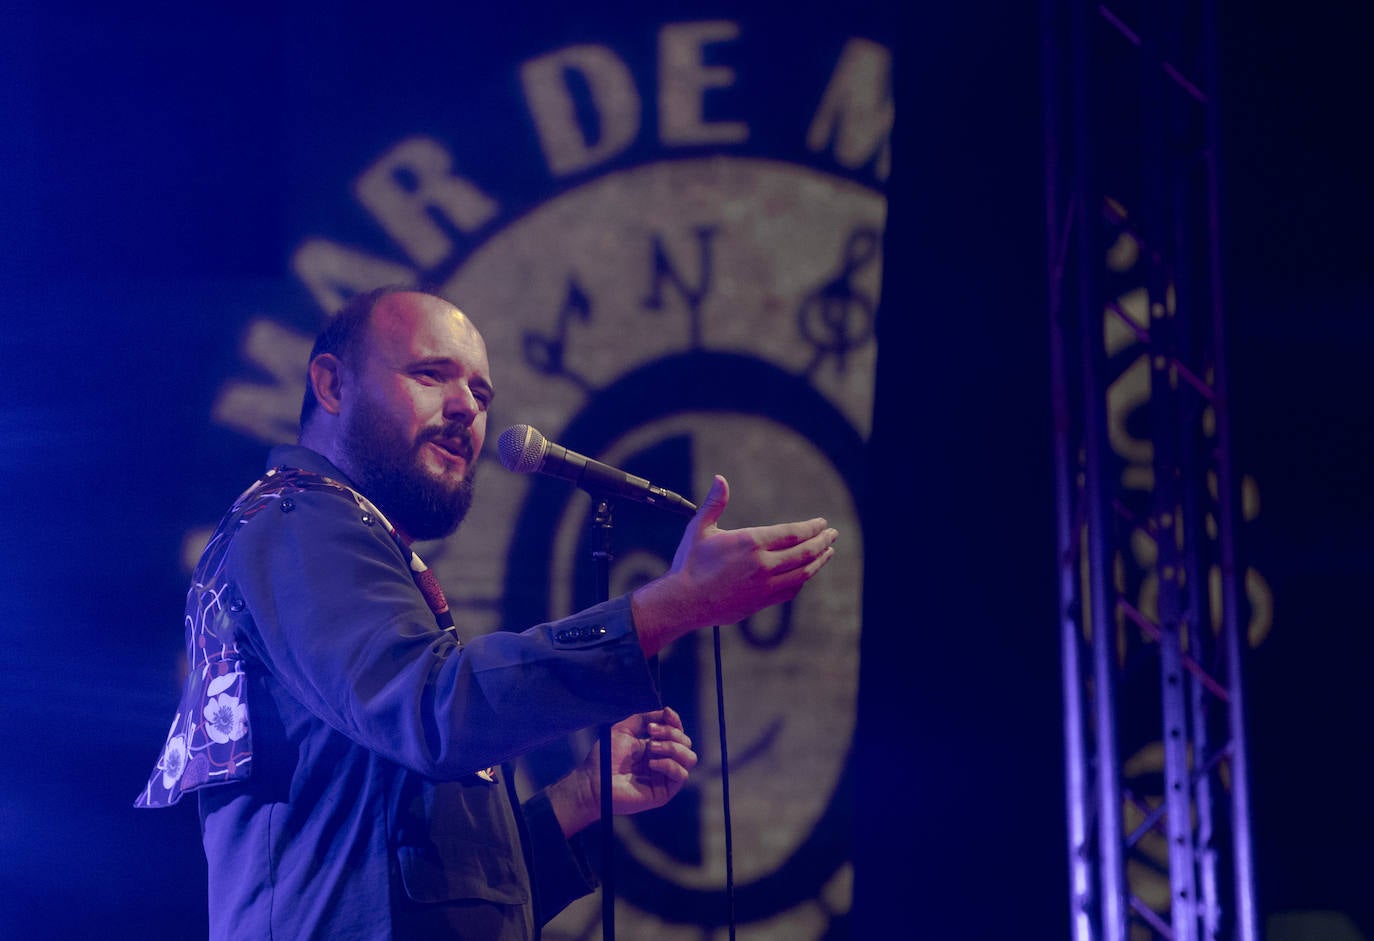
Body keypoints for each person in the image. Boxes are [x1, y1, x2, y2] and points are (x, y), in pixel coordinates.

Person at [137, 287, 838, 939]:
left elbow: (435, 892)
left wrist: (580, 797)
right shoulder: (297, 525)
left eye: (480, 390)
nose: (467, 407)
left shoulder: (359, 552)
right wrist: (669, 606)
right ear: (331, 385)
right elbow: (434, 710)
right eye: (431, 374)